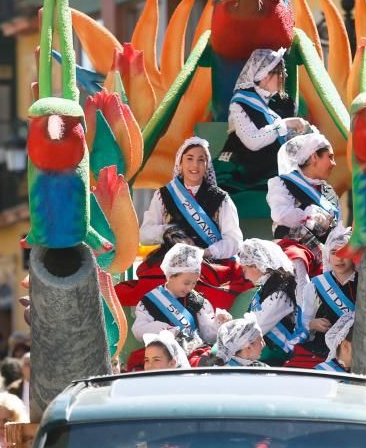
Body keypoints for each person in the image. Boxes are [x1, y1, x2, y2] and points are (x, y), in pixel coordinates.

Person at [132, 137, 247, 310]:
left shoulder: (221, 198)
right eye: (190, 158)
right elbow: (145, 235)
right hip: (171, 260)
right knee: (153, 284)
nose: (195, 165)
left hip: (208, 262)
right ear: (180, 162)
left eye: (201, 160)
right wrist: (167, 231)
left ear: (207, 165)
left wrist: (206, 252)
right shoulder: (163, 195)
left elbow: (234, 241)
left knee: (201, 288)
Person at [218, 48, 309, 190]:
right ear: (264, 75)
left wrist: (304, 133)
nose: (285, 75)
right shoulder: (240, 102)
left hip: (269, 166)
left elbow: (282, 138)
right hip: (244, 169)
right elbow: (253, 141)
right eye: (279, 71)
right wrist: (286, 124)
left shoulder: (280, 102)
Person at [131, 243, 230, 366]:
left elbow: (207, 335)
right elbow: (138, 330)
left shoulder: (197, 300)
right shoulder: (149, 301)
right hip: (163, 359)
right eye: (186, 282)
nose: (190, 288)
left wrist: (219, 323)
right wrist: (167, 330)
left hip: (192, 356)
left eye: (194, 283)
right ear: (171, 275)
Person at [266, 131, 340, 257]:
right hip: (297, 256)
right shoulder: (282, 182)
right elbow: (280, 214)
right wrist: (310, 215)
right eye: (330, 157)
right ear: (314, 157)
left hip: (330, 259)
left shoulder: (328, 190)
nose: (334, 163)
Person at [290, 225, 355, 368]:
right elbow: (302, 322)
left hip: (353, 355)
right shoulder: (316, 285)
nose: (339, 258)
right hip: (319, 352)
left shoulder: (365, 284)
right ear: (327, 255)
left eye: (345, 252)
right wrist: (313, 324)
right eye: (334, 252)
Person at [238, 238, 306, 365]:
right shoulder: (268, 285)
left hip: (280, 357)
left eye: (245, 270)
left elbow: (255, 329)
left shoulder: (279, 292)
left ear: (256, 266)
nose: (245, 276)